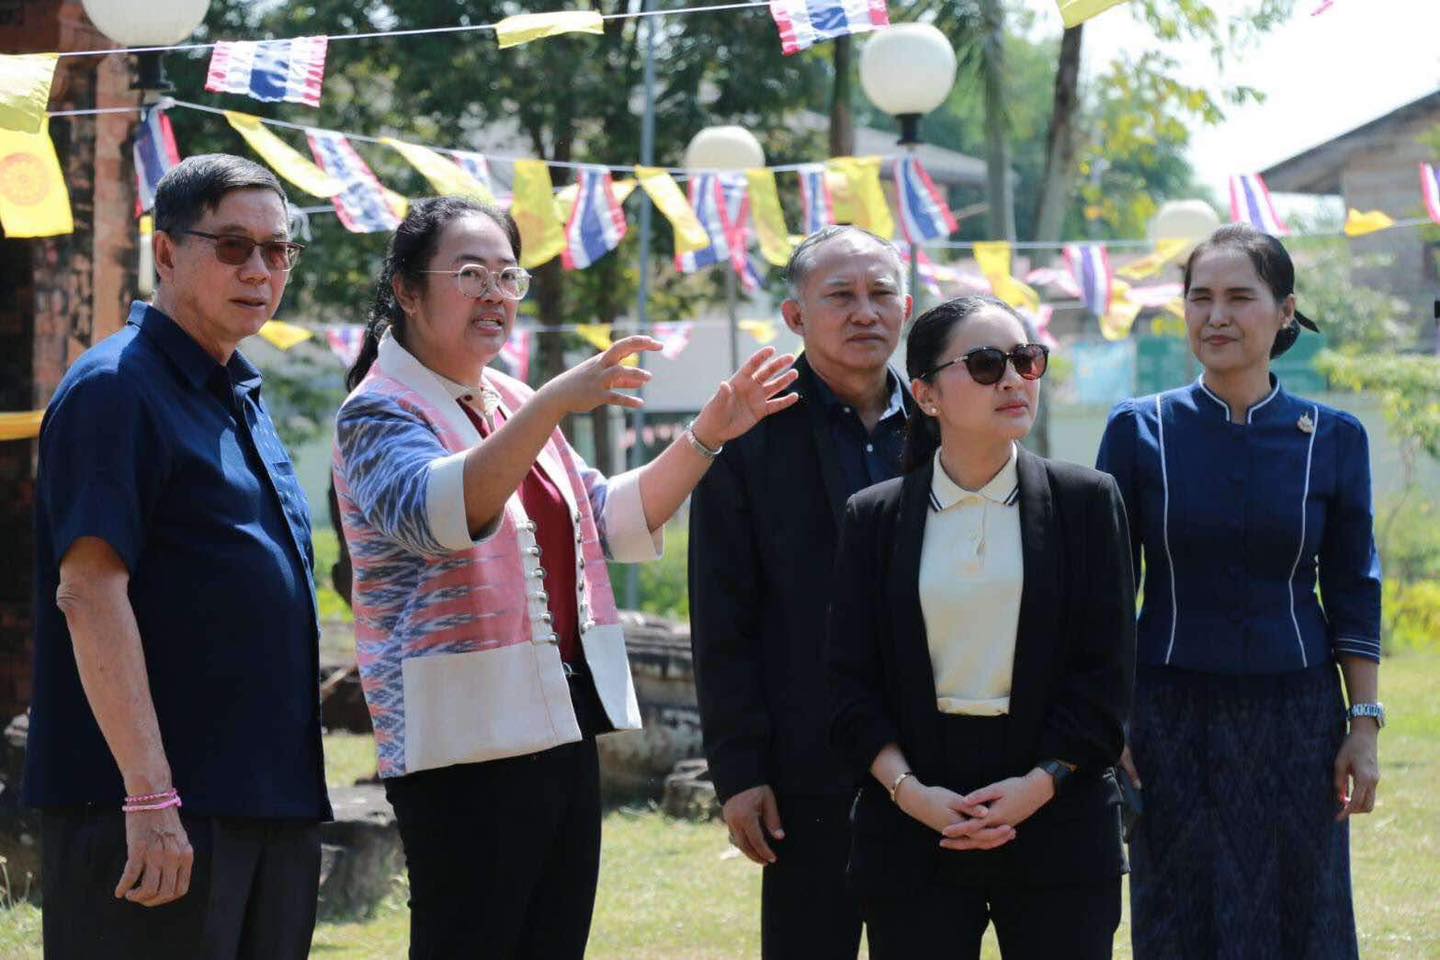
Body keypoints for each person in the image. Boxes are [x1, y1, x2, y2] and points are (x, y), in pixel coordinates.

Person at [331, 195, 797, 960]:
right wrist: (553, 402)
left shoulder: (509, 398)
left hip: (560, 722)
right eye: (471, 273)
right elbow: (445, 512)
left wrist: (707, 435)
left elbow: (606, 517)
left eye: (508, 276)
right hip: (463, 743)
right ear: (408, 291)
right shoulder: (378, 411)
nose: (495, 294)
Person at [28, 155, 330, 959]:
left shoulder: (237, 393)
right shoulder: (115, 390)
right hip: (152, 816)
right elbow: (89, 593)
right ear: (166, 254)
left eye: (278, 250)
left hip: (264, 809)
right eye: (233, 247)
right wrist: (150, 797)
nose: (261, 270)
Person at [1096, 223, 1383, 959]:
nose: (1215, 316)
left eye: (1238, 297)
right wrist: (1110, 720)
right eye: (1200, 298)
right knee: (1177, 913)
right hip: (1166, 716)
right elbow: (1105, 589)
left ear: (1285, 311)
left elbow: (1355, 585)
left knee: (1302, 914)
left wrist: (1364, 726)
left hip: (1297, 717)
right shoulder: (1138, 429)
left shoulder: (1335, 438)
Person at [828, 296, 1136, 959]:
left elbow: (1106, 676)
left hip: (1060, 809)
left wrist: (1038, 785)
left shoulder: (1087, 502)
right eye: (988, 363)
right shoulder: (873, 518)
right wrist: (911, 795)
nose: (1014, 379)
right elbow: (849, 684)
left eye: (1027, 361)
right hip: (914, 817)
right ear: (927, 395)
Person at [689, 224, 917, 958]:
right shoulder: (747, 434)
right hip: (803, 767)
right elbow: (722, 618)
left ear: (906, 310)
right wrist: (740, 771)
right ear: (795, 317)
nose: (864, 313)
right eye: (840, 296)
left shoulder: (948, 424)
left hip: (935, 761)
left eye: (881, 294)